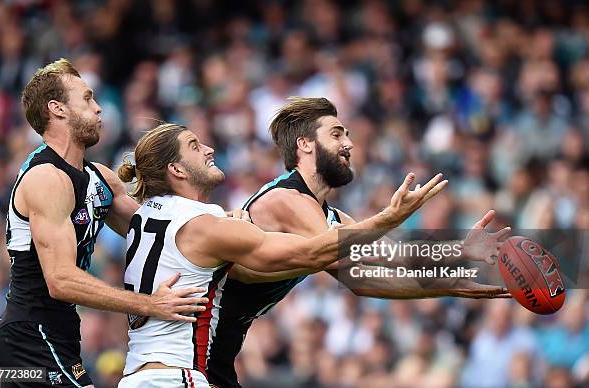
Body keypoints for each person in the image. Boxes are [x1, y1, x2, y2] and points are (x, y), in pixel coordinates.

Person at [205, 97, 511, 387]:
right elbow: (345, 259)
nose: (348, 143)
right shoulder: (285, 199)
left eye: (347, 135)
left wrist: (458, 259)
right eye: (337, 134)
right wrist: (391, 217)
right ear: (305, 144)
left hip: (216, 349)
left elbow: (377, 269)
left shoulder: (330, 217)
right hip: (191, 340)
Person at [115, 122, 445, 388]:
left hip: (137, 376)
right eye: (194, 146)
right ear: (177, 169)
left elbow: (383, 263)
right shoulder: (215, 224)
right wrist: (388, 217)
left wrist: (460, 263)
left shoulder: (145, 215)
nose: (209, 149)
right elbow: (318, 254)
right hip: (181, 375)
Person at [0, 59, 208, 388]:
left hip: (57, 334)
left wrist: (218, 224)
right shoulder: (46, 178)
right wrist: (150, 304)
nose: (99, 108)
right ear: (57, 109)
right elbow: (61, 280)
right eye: (88, 99)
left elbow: (155, 234)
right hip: (31, 335)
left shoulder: (100, 179)